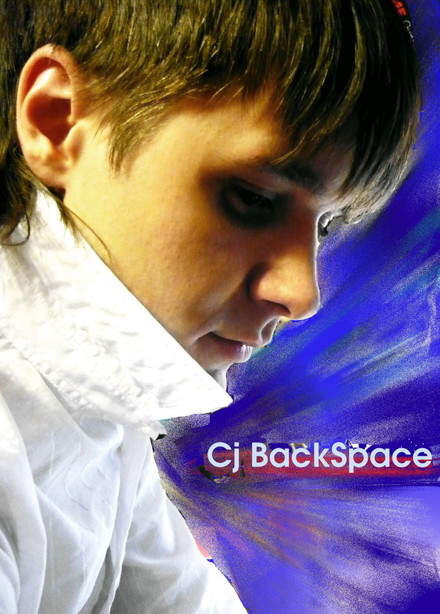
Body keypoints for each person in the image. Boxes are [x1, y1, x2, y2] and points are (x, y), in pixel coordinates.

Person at [0, 0, 420, 612]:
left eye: (325, 226)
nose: (301, 295)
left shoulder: (101, 409)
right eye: (253, 198)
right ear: (57, 121)